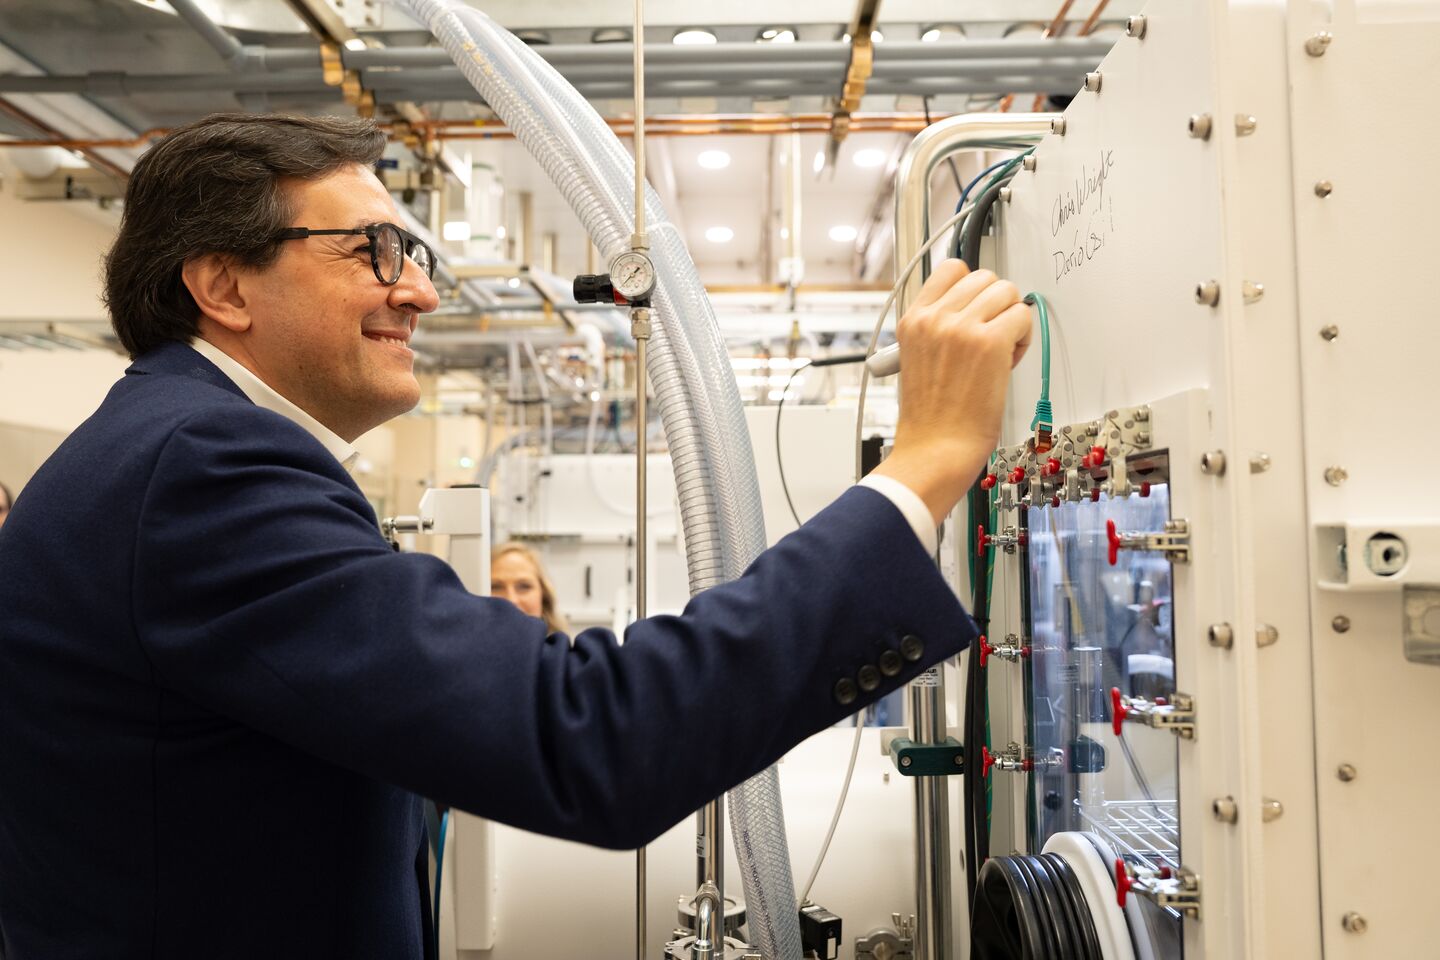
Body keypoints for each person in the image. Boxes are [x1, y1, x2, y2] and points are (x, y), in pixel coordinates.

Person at [0, 114, 1029, 960]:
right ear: (222, 287)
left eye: (415, 253)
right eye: (375, 250)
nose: (421, 290)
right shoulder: (201, 471)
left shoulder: (171, 452)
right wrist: (925, 463)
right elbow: (589, 737)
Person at [490, 540, 569, 635]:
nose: (511, 600)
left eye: (524, 587)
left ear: (544, 596)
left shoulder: (563, 649)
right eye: (496, 587)